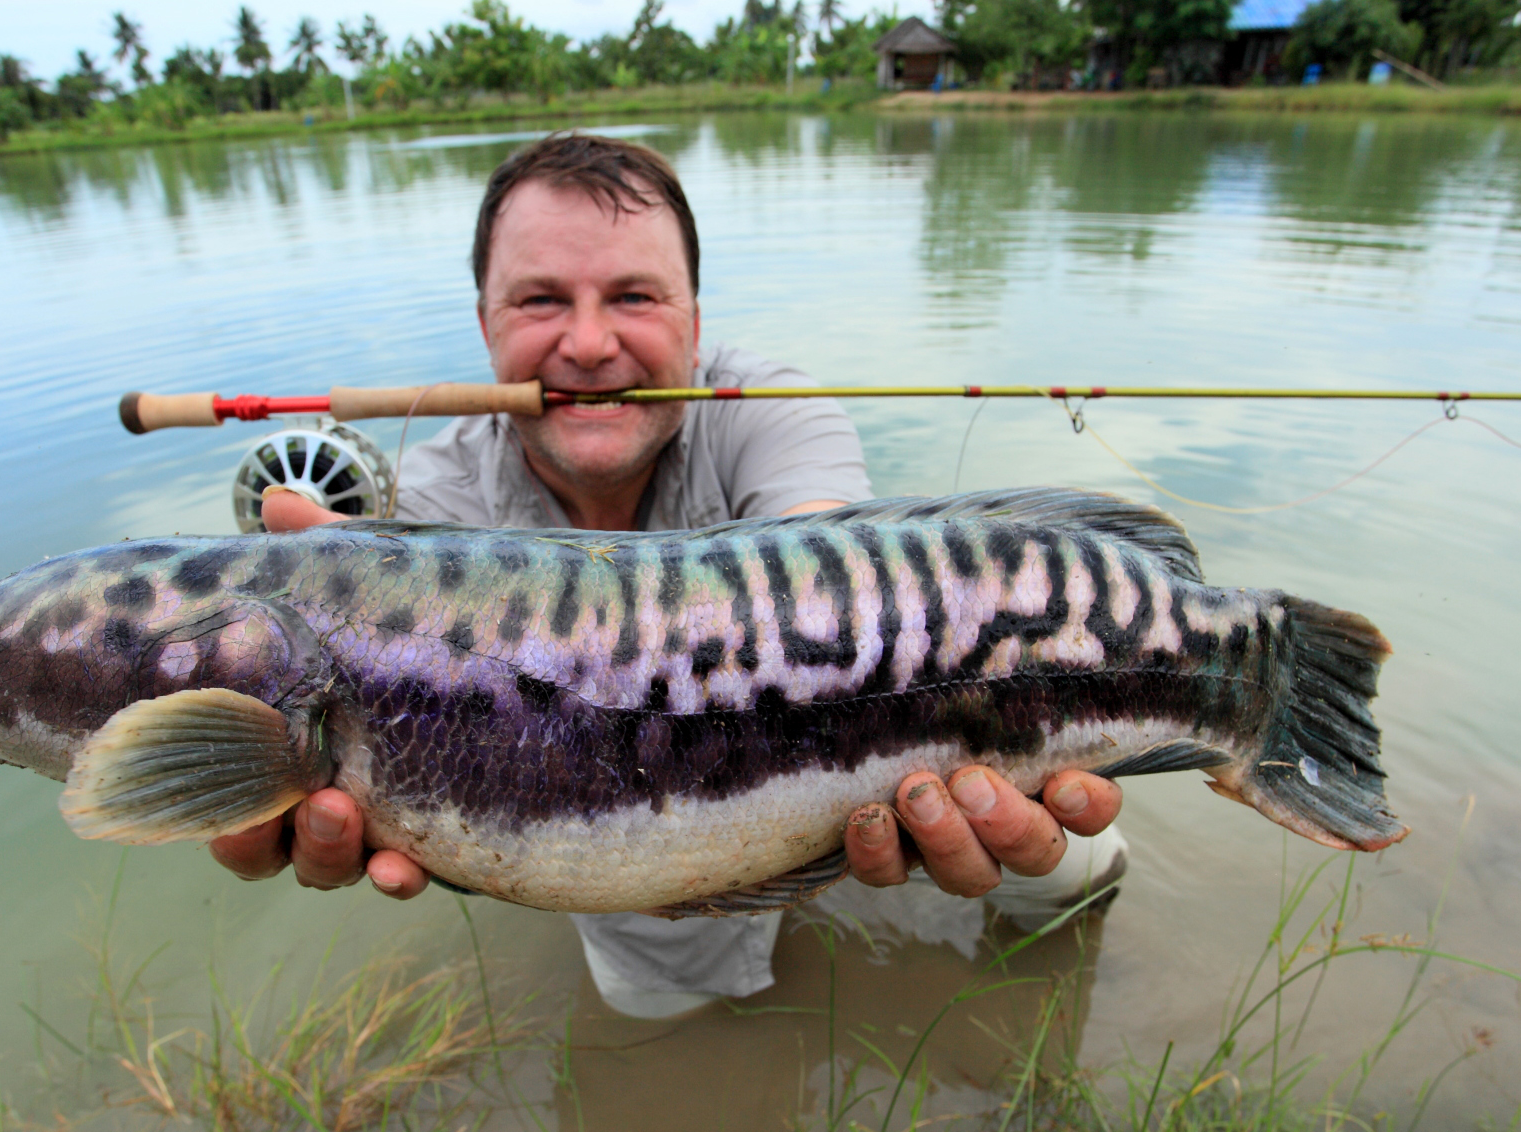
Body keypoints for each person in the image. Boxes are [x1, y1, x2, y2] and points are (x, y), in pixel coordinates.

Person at [209, 133, 1128, 1017]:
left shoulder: (776, 413)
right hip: (621, 829)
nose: (590, 343)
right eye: (539, 301)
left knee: (1069, 856)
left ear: (694, 317)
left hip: (861, 755)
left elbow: (842, 581)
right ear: (484, 325)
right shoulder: (431, 504)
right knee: (663, 1001)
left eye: (635, 296)